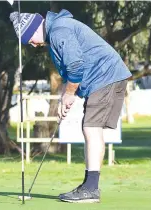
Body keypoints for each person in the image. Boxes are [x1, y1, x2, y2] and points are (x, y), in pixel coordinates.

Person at [10, 9, 132, 203]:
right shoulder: (55, 34)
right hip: (102, 79)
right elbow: (68, 73)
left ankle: (91, 189)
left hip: (105, 77)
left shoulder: (59, 30)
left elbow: (76, 65)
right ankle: (88, 186)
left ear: (34, 29)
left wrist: (69, 94)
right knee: (89, 128)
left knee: (91, 128)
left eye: (29, 39)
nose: (32, 45)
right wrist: (63, 98)